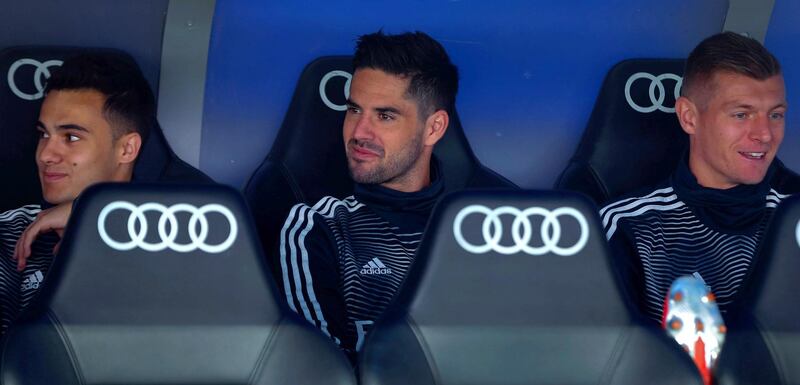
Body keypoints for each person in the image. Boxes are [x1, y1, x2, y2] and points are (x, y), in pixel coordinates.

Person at [0, 52, 211, 335]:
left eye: (71, 137)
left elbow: (195, 348)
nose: (46, 154)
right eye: (44, 134)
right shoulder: (11, 232)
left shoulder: (183, 234)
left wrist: (96, 221)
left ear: (126, 149)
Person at [600, 32, 800, 322]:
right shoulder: (627, 226)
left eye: (776, 115)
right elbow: (602, 357)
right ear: (689, 117)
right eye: (741, 115)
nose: (765, 134)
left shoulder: (793, 215)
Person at [278, 31, 455, 357]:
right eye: (354, 110)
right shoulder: (318, 226)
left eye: (385, 116)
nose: (359, 132)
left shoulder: (479, 228)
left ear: (434, 128)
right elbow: (322, 371)